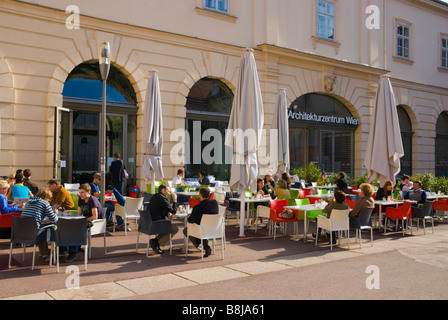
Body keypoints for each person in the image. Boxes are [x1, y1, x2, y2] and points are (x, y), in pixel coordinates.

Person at [64, 183, 102, 263]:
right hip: (85, 220)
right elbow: (79, 214)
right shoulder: (81, 200)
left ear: (88, 192)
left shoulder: (92, 199)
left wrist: (83, 220)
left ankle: (73, 252)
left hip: (95, 222)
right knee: (69, 226)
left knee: (77, 230)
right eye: (80, 192)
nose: (80, 194)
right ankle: (67, 248)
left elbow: (95, 216)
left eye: (82, 192)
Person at [21, 188, 58, 261]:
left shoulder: (29, 202)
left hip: (22, 231)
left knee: (41, 226)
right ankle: (49, 253)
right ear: (47, 197)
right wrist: (55, 213)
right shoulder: (44, 203)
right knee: (50, 227)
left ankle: (44, 252)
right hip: (34, 232)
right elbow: (54, 219)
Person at [182, 187, 218, 258]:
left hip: (202, 230)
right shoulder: (215, 203)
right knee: (198, 228)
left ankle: (204, 244)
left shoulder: (198, 207)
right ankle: (205, 244)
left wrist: (192, 215)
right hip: (214, 229)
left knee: (186, 230)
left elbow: (190, 221)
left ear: (200, 195)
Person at [146, 184, 179, 254]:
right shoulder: (163, 198)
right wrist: (175, 200)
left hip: (149, 222)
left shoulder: (155, 196)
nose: (169, 193)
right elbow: (174, 211)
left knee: (169, 226)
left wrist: (167, 213)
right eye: (168, 191)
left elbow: (160, 207)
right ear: (163, 190)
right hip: (156, 223)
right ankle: (156, 242)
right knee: (175, 229)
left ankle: (155, 243)